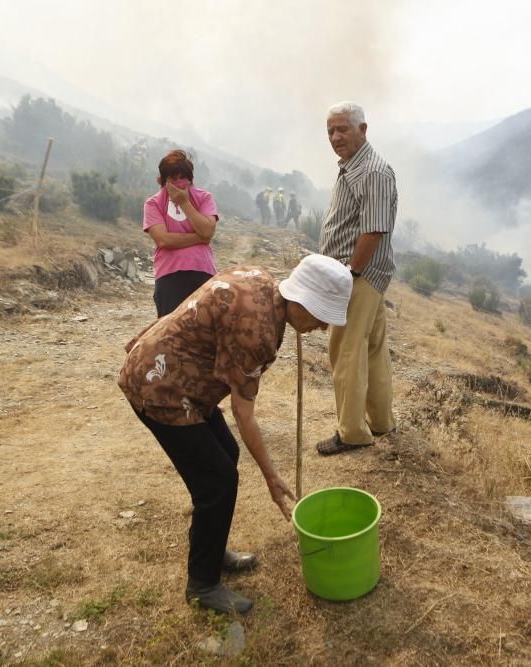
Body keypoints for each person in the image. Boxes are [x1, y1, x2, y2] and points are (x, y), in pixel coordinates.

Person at [118, 254, 353, 614]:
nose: (323, 328)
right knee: (217, 482)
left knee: (225, 455)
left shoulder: (262, 280)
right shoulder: (258, 334)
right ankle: (202, 584)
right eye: (323, 317)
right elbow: (246, 415)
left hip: (175, 374)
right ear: (304, 301)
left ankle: (212, 549)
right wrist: (273, 478)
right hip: (159, 387)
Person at [315, 101, 397, 456]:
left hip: (359, 276)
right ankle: (380, 423)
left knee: (345, 350)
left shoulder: (373, 172)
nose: (335, 137)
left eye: (342, 129)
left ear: (362, 130)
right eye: (330, 130)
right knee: (373, 349)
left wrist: (348, 274)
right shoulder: (354, 167)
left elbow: (374, 230)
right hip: (362, 275)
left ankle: (352, 432)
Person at [142, 150, 219, 317]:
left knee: (205, 331)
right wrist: (200, 238)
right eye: (173, 178)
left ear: (190, 179)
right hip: (169, 274)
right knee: (171, 334)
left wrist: (184, 202)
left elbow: (207, 231)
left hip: (202, 270)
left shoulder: (204, 197)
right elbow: (163, 240)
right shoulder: (153, 203)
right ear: (164, 181)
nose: (179, 183)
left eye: (183, 178)